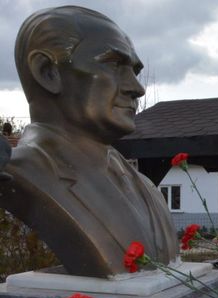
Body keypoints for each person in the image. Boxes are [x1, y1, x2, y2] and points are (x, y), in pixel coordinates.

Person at [0, 6, 177, 278]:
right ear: (47, 72)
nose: (137, 88)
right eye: (114, 64)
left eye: (135, 71)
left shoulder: (145, 187)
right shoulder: (23, 174)